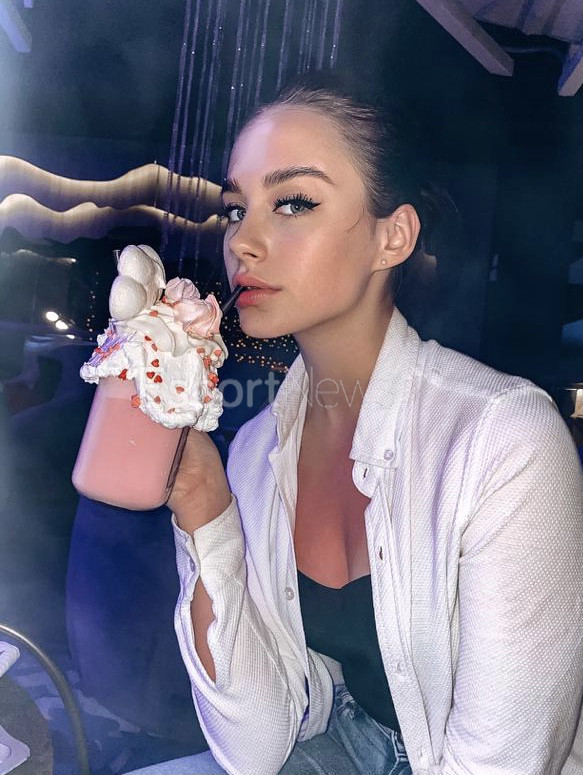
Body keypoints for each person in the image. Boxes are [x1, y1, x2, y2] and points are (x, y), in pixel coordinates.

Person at [125, 82, 583, 775]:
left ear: (391, 237)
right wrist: (201, 501)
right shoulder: (255, 450)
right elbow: (253, 745)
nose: (241, 241)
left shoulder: (503, 440)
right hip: (341, 736)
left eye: (293, 202)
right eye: (235, 209)